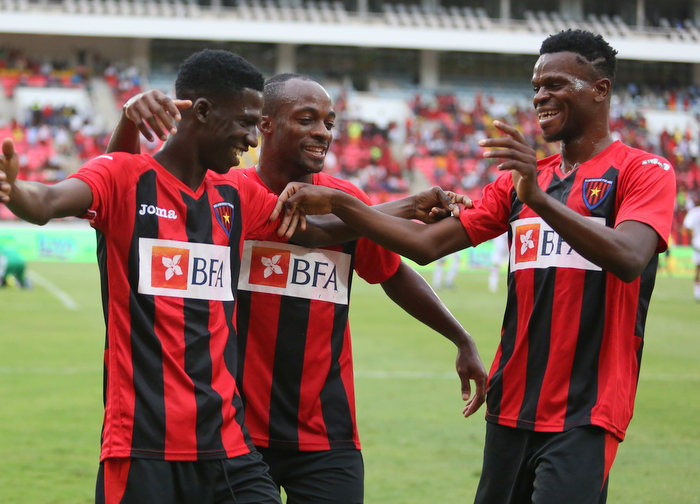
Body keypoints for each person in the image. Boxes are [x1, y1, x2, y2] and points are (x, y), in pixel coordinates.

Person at [276, 30, 676, 503]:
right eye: (535, 86)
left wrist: (540, 202)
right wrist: (346, 204)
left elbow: (629, 258)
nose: (541, 96)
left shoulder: (644, 171)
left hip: (586, 409)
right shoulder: (517, 184)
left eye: (556, 83)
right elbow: (424, 245)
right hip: (510, 404)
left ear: (600, 90)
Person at [108, 73, 487, 504]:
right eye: (307, 119)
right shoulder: (230, 195)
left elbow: (391, 272)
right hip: (237, 430)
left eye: (329, 122)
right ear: (263, 124)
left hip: (328, 431)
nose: (322, 132)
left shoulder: (345, 196)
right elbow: (127, 183)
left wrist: (462, 338)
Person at [0, 49, 293, 504]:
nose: (252, 139)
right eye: (246, 122)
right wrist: (13, 189)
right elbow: (45, 202)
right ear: (202, 111)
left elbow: (319, 228)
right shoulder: (122, 176)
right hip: (142, 447)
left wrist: (413, 213)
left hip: (230, 450)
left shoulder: (237, 194)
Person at [683, 194, 700, 301]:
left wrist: (692, 237)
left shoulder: (694, 212)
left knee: (697, 269)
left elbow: (686, 226)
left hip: (697, 244)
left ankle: (697, 293)